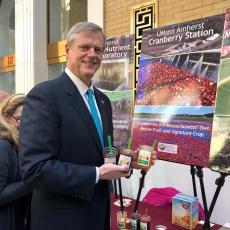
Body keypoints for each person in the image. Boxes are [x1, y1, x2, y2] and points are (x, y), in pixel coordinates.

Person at [19, 22, 130, 230]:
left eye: (98, 49)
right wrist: (96, 174)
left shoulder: (103, 101)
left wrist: (128, 160)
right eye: (84, 47)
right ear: (67, 51)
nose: (92, 54)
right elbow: (34, 168)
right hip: (61, 221)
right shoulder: (45, 95)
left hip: (98, 216)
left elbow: (100, 152)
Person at [0, 93, 32, 230]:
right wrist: (34, 181)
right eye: (20, 119)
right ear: (6, 117)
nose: (25, 124)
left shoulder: (19, 144)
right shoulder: (3, 145)